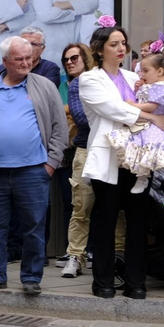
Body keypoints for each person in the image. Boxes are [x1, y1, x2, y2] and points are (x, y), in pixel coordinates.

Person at [0, 36, 68, 294]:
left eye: (29, 58)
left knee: (33, 227)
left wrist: (51, 164)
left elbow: (59, 128)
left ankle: (31, 278)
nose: (26, 63)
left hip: (34, 171)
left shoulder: (44, 87)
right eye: (19, 59)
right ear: (5, 62)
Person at [79, 22, 164, 299]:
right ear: (100, 49)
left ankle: (135, 282)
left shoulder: (133, 77)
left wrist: (149, 112)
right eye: (114, 44)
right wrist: (151, 117)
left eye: (123, 43)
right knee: (105, 220)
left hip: (138, 157)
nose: (120, 48)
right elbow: (113, 109)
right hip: (109, 156)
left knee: (138, 221)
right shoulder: (90, 79)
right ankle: (103, 281)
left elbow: (155, 99)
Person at [105, 53, 164, 194]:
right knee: (137, 147)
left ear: (160, 71)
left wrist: (133, 105)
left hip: (154, 124)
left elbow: (152, 106)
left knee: (147, 150)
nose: (141, 74)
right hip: (145, 122)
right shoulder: (151, 85)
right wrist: (138, 89)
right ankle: (140, 176)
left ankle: (142, 178)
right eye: (141, 70)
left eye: (146, 71)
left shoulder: (160, 86)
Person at [61, 43, 100, 278]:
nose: (69, 62)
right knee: (81, 207)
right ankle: (75, 256)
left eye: (74, 57)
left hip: (112, 150)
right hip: (86, 149)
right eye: (66, 59)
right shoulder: (76, 85)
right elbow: (83, 118)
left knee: (115, 210)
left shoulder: (106, 80)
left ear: (87, 58)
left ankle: (114, 255)